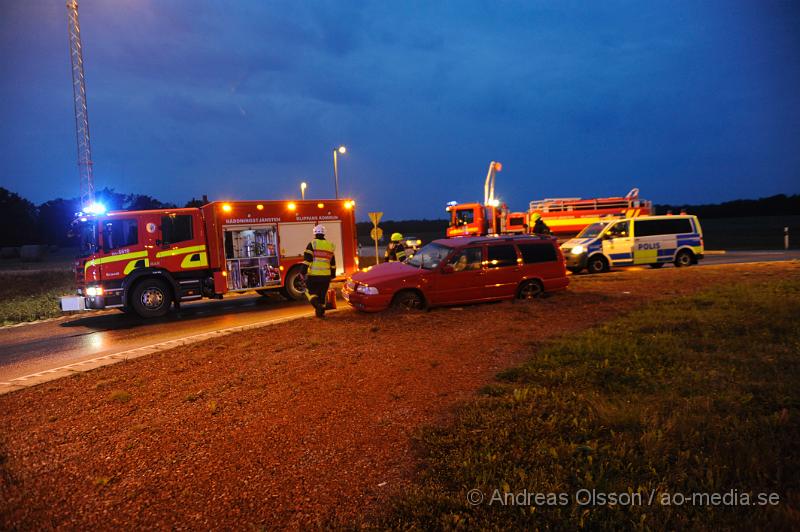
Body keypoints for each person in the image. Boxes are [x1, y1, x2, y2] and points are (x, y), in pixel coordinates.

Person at [301, 224, 336, 318]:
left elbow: (307, 260)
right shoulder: (330, 245)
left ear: (314, 233)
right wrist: (333, 275)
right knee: (322, 295)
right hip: (326, 276)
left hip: (314, 275)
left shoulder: (312, 244)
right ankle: (321, 314)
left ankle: (318, 307)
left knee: (309, 292)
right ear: (324, 233)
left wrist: (302, 272)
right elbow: (333, 263)